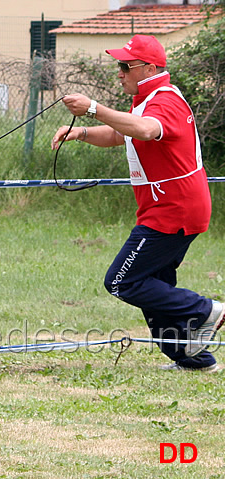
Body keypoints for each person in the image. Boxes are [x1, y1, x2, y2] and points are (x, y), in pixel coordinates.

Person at [51, 34, 224, 371]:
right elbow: (122, 133)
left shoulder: (165, 101)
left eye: (124, 66)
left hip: (172, 210)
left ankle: (207, 310)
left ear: (149, 67)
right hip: (166, 208)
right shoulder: (146, 99)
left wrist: (93, 108)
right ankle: (193, 359)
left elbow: (145, 130)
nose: (119, 73)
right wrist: (81, 132)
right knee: (153, 286)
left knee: (122, 281)